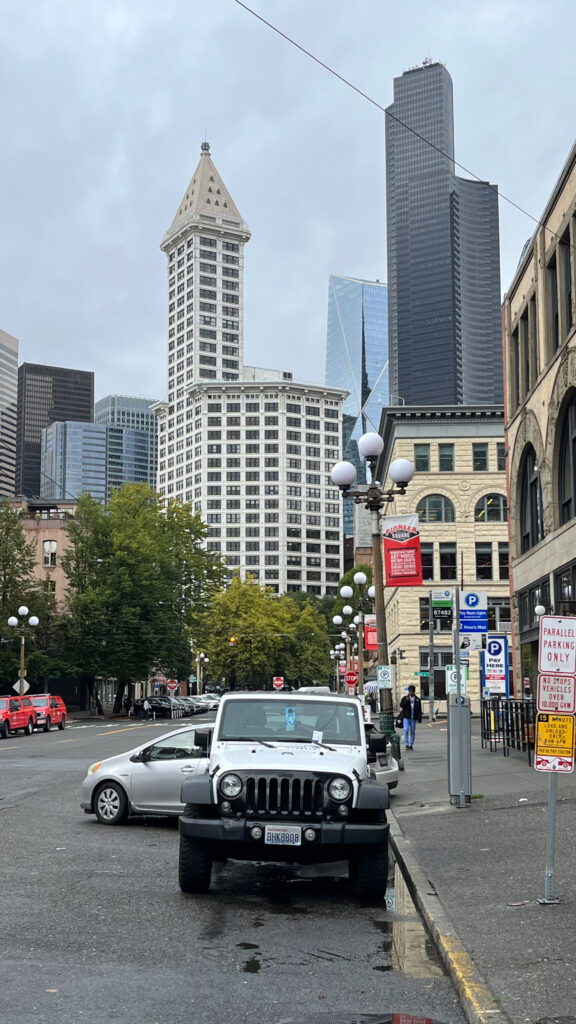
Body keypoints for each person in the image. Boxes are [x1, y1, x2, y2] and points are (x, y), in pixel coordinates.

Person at [399, 685, 422, 750]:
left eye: (412, 691)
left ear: (414, 691)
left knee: (412, 731)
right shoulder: (405, 698)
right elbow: (402, 706)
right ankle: (406, 744)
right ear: (408, 691)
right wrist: (406, 701)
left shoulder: (417, 699)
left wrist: (419, 718)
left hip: (413, 718)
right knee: (406, 730)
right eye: (410, 691)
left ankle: (410, 745)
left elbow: (419, 710)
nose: (411, 693)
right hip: (406, 717)